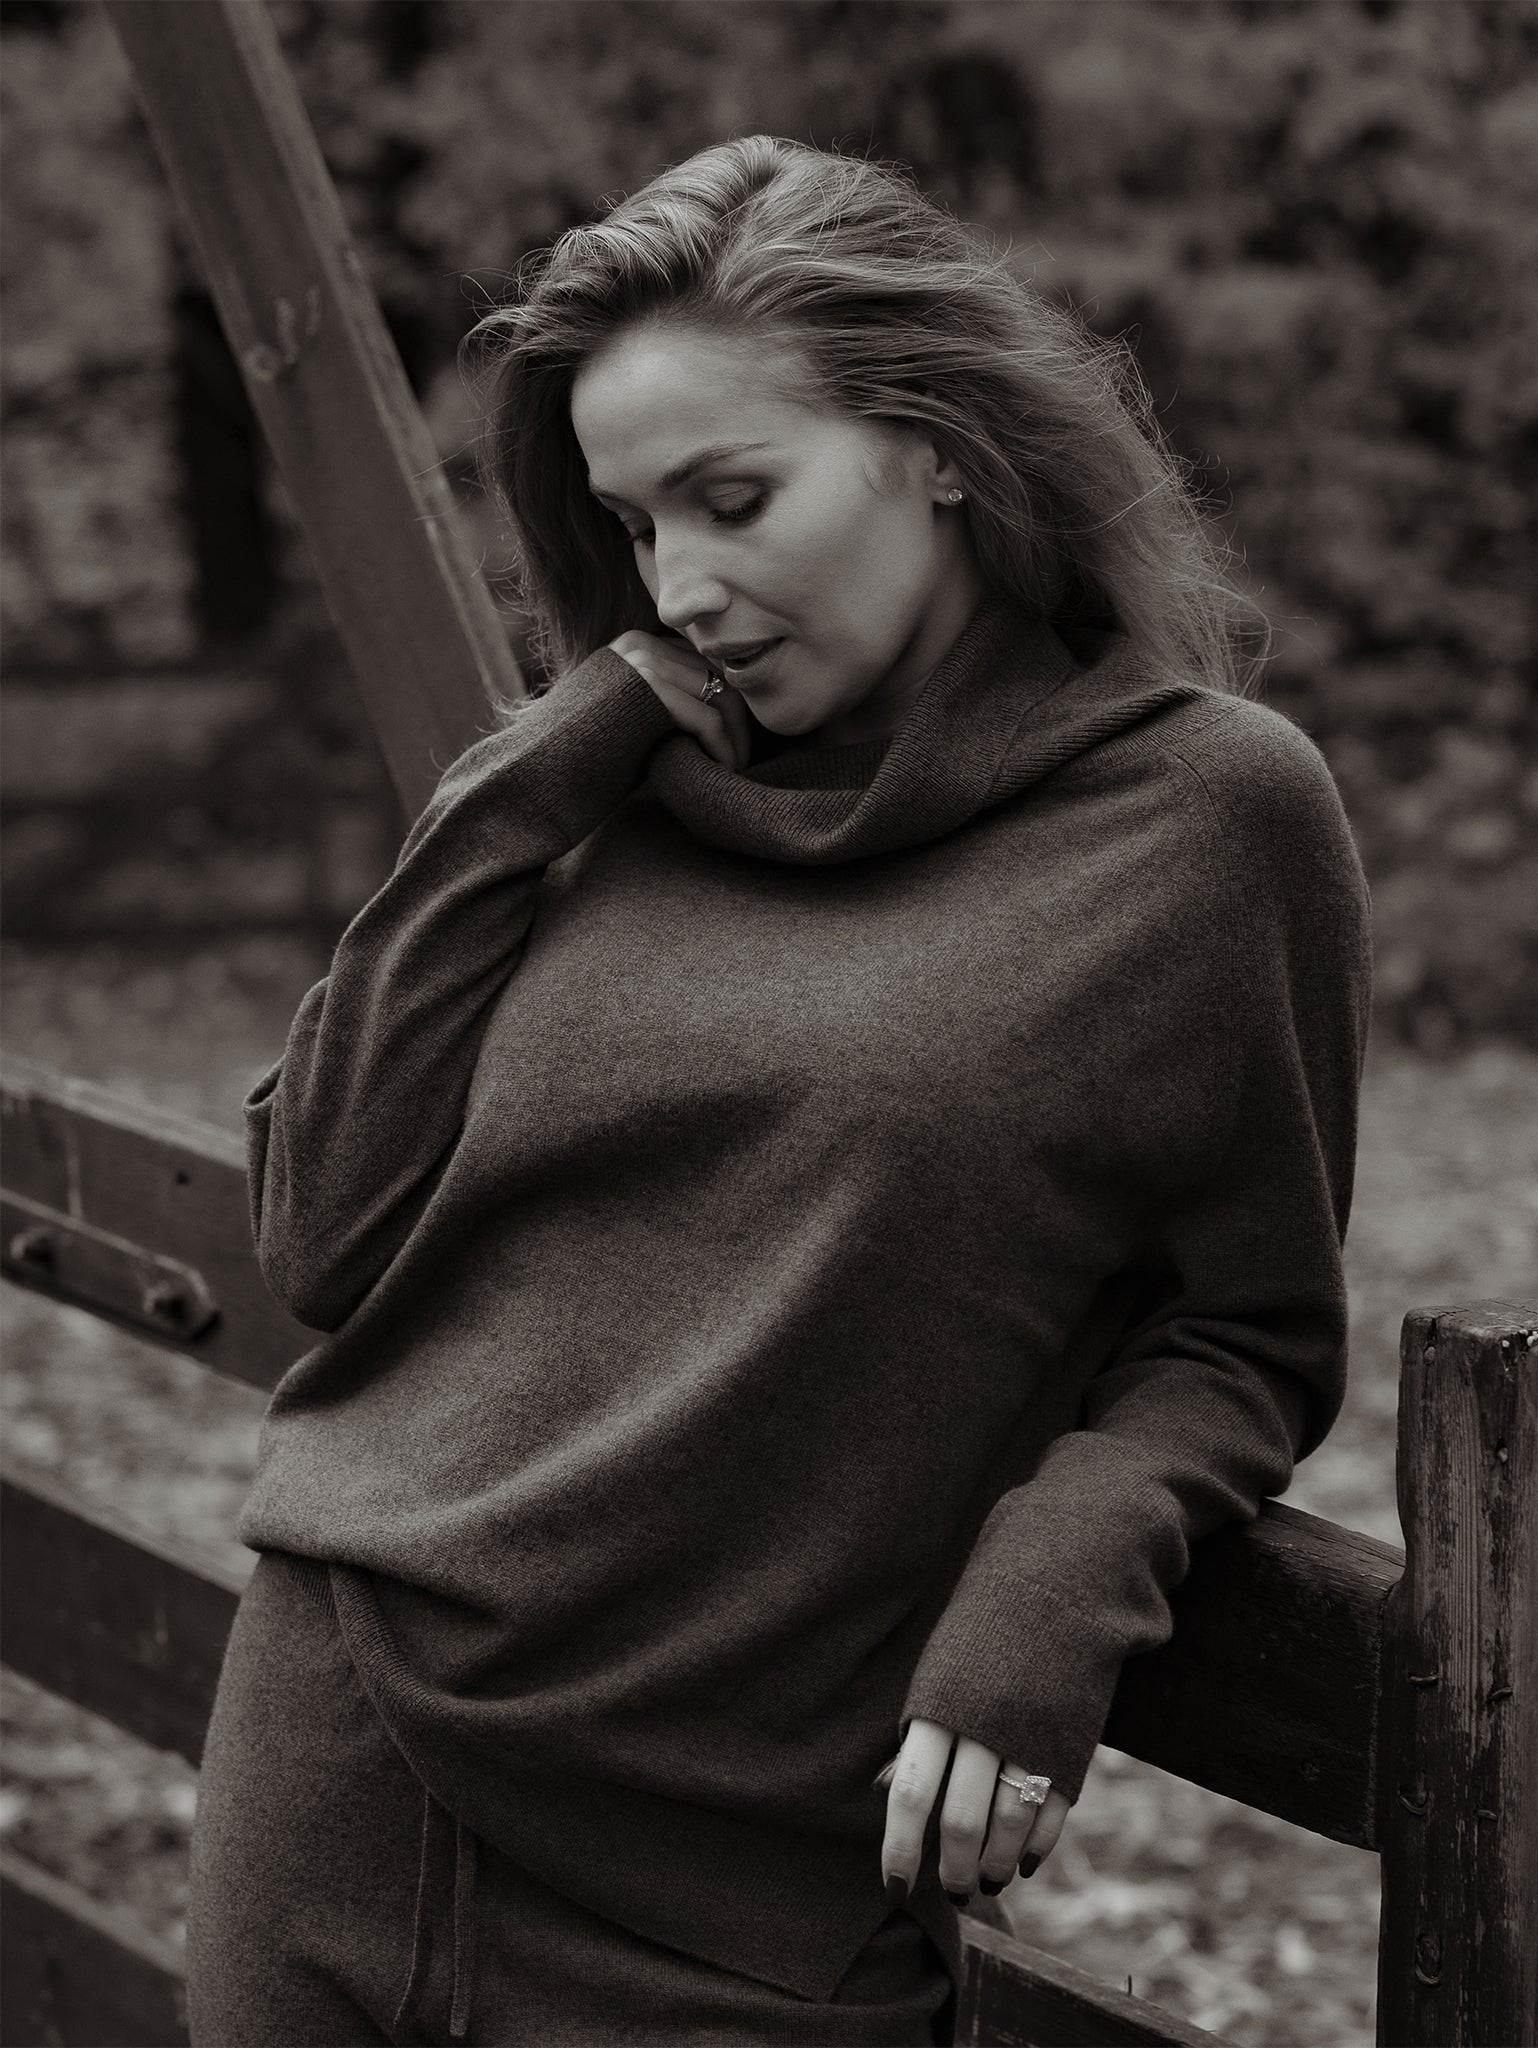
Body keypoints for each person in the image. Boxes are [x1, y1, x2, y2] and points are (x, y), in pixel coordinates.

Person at [184, 135, 1371, 2047]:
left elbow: (1242, 1333)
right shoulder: (602, 788)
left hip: (748, 1874)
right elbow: (322, 1231)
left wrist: (1059, 1582)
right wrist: (528, 776)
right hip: (343, 1758)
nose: (683, 586)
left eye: (734, 497)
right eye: (636, 525)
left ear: (941, 442)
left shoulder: (1205, 822)